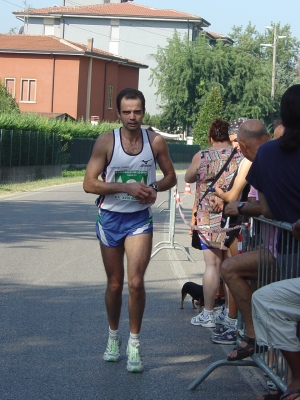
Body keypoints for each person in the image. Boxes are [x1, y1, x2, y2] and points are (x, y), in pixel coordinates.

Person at [83, 88, 176, 372]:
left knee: (136, 283)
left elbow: (171, 176)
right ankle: (113, 337)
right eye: (126, 112)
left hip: (138, 220)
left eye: (137, 111)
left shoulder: (155, 142)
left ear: (143, 112)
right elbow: (89, 183)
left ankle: (134, 344)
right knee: (114, 283)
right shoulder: (105, 141)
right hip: (111, 218)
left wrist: (154, 188)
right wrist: (125, 186)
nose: (132, 117)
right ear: (119, 113)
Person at [246, 84, 300, 400]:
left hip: (287, 253)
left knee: (277, 309)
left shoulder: (267, 153)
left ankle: (292, 382)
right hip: (288, 249)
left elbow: (265, 209)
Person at [219, 119, 272, 361]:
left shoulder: (266, 159)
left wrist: (239, 207)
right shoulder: (266, 158)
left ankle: (253, 336)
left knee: (229, 268)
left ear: (241, 145)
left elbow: (268, 208)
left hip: (281, 249)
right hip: (270, 243)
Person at [185, 118, 242, 328]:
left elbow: (189, 178)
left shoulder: (202, 155)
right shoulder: (240, 156)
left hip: (207, 216)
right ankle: (229, 312)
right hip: (231, 215)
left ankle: (207, 313)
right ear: (229, 136)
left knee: (212, 265)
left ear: (210, 137)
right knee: (229, 266)